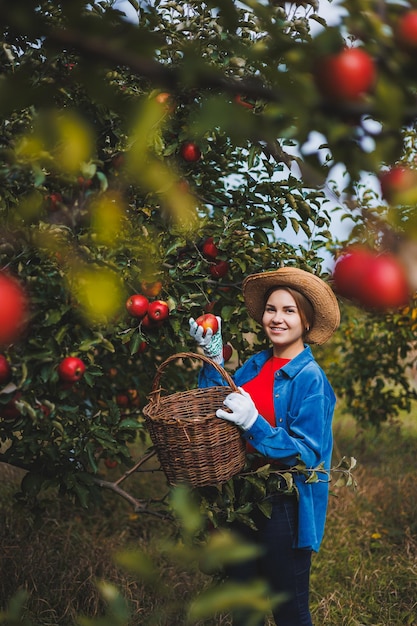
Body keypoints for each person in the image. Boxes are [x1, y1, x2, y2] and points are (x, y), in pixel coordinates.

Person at [189, 267, 340, 626]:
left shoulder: (311, 379)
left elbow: (306, 454)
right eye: (272, 309)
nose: (277, 318)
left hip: (284, 505)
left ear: (306, 321)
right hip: (242, 497)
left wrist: (253, 423)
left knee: (289, 612)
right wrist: (212, 357)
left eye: (289, 311)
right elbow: (217, 403)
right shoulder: (257, 364)